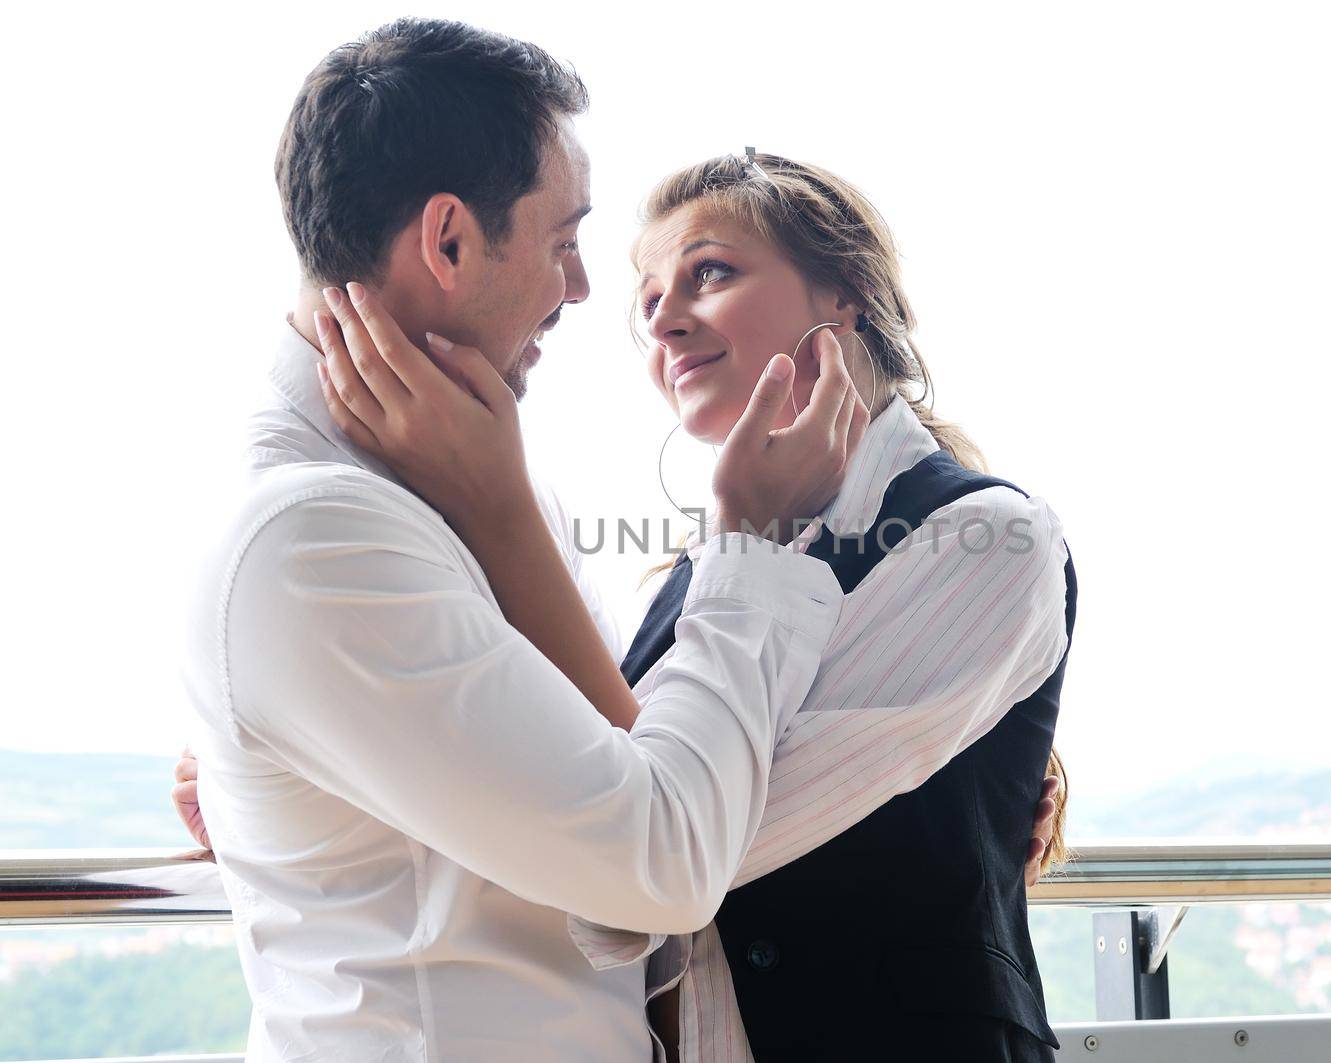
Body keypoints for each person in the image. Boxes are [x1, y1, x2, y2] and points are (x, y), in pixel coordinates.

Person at [179, 19, 868, 1062]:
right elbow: (662, 861)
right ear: (449, 240)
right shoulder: (314, 538)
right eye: (564, 241)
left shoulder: (472, 472)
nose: (585, 291)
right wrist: (751, 542)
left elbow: (612, 754)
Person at [301, 150, 1077, 1061]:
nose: (663, 317)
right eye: (648, 299)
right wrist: (317, 729)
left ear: (844, 298)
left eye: (709, 272)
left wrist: (498, 507)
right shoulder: (698, 575)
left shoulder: (990, 538)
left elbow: (664, 847)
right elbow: (605, 770)